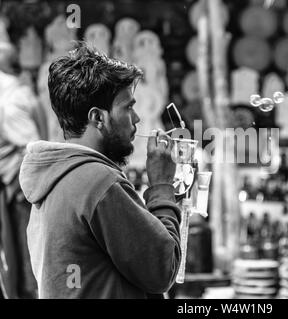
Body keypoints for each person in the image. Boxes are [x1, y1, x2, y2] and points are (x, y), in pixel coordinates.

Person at [18, 42, 181, 298]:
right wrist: (162, 186)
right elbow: (162, 269)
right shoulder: (98, 182)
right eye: (128, 107)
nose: (137, 118)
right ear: (98, 118)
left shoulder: (56, 175)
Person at [0, 40, 42, 299]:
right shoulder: (17, 92)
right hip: (17, 185)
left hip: (19, 187)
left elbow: (31, 148)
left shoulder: (11, 99)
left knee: (24, 249)